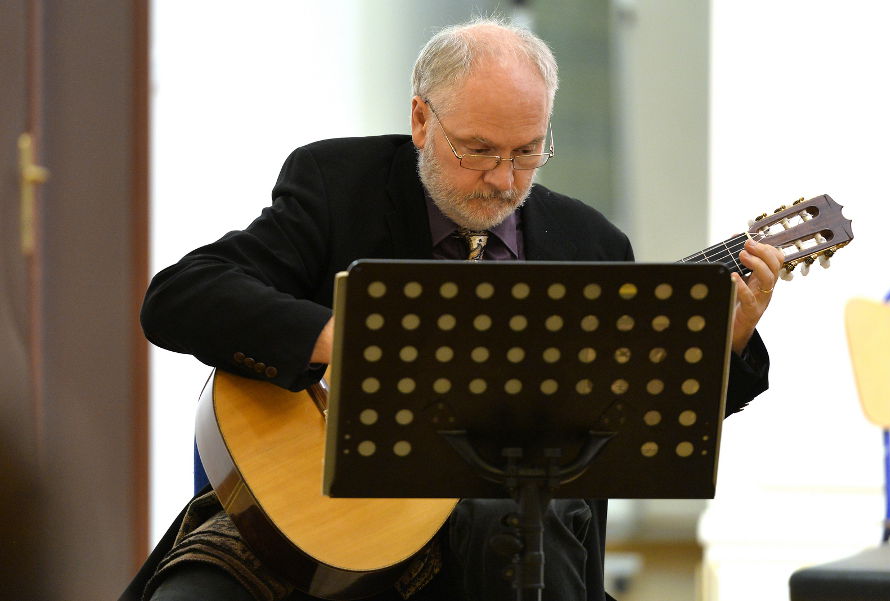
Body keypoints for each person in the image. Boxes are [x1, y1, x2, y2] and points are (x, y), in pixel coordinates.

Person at [123, 17, 784, 601]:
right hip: (329, 510)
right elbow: (181, 296)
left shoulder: (593, 244)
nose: (503, 179)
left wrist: (714, 347)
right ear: (420, 119)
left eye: (527, 152)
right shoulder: (338, 185)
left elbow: (628, 422)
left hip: (508, 525)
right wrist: (347, 337)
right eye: (478, 150)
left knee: (507, 533)